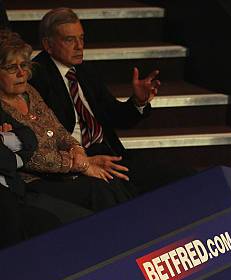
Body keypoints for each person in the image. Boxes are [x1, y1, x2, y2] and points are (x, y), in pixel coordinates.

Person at [30, 8, 191, 194]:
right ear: (48, 44)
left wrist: (138, 102)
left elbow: (115, 116)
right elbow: (45, 136)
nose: (79, 46)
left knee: (181, 174)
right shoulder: (37, 77)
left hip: (109, 153)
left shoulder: (84, 71)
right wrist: (81, 162)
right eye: (69, 40)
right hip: (77, 162)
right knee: (124, 194)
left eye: (81, 38)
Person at [0, 29, 132, 211]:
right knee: (98, 190)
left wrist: (76, 149)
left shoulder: (28, 91)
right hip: (32, 181)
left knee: (111, 181)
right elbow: (28, 156)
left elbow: (58, 130)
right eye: (11, 68)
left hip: (62, 171)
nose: (22, 73)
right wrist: (77, 165)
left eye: (24, 65)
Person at [1, 120, 91, 249]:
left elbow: (29, 136)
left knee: (86, 220)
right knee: (52, 228)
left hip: (17, 190)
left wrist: (3, 139)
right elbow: (19, 159)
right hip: (25, 186)